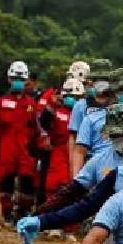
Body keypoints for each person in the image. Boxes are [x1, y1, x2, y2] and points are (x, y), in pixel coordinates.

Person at [0, 61, 48, 225]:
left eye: (21, 79)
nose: (18, 82)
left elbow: (37, 127)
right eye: (14, 79)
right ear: (9, 80)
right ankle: (7, 214)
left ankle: (22, 214)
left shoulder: (30, 105)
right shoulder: (0, 102)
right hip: (7, 148)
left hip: (25, 150)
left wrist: (41, 147)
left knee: (28, 183)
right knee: (5, 183)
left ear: (26, 81)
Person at [37, 79, 83, 209]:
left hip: (78, 152)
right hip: (58, 152)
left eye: (74, 96)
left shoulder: (83, 115)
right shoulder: (56, 112)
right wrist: (52, 104)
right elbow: (44, 122)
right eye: (68, 96)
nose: (71, 99)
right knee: (55, 184)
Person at [69, 58, 116, 176]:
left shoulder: (118, 105)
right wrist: (74, 172)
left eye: (105, 80)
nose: (102, 83)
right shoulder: (80, 106)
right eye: (98, 80)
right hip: (88, 161)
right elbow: (73, 140)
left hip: (113, 161)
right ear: (91, 82)